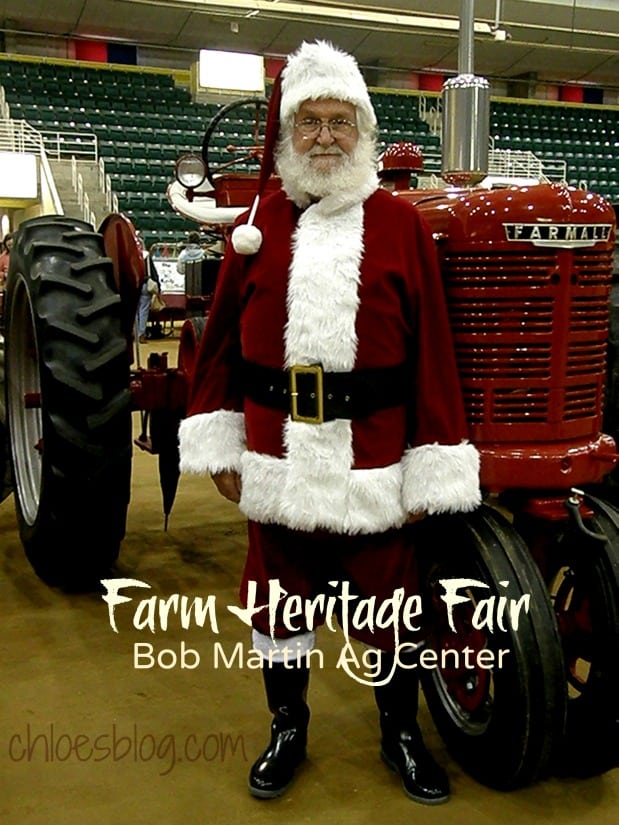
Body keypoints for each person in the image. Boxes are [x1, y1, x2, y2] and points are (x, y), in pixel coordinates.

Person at [178, 40, 481, 805]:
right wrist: (217, 436)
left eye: (338, 121)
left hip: (372, 461)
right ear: (286, 132)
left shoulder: (401, 227)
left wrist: (431, 461)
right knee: (278, 608)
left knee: (389, 612)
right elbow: (216, 343)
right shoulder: (255, 229)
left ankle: (399, 732)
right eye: (307, 121)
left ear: (363, 131)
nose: (322, 136)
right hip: (274, 459)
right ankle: (287, 728)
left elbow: (433, 355)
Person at [135, 241, 160, 343]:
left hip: (135, 285)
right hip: (146, 284)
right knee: (144, 310)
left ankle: (135, 334)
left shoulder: (132, 255)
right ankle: (141, 334)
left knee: (135, 311)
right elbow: (154, 272)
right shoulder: (146, 256)